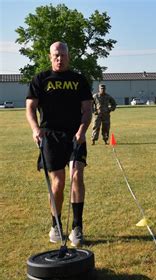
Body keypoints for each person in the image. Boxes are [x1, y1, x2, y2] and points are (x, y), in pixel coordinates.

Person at [26, 41, 93, 247]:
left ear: (68, 56)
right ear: (50, 56)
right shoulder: (41, 79)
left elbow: (87, 109)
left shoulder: (79, 80)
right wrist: (36, 130)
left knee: (76, 175)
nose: (59, 58)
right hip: (51, 137)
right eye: (56, 55)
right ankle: (55, 225)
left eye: (63, 55)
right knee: (58, 182)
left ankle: (76, 228)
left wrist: (82, 131)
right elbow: (30, 107)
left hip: (75, 135)